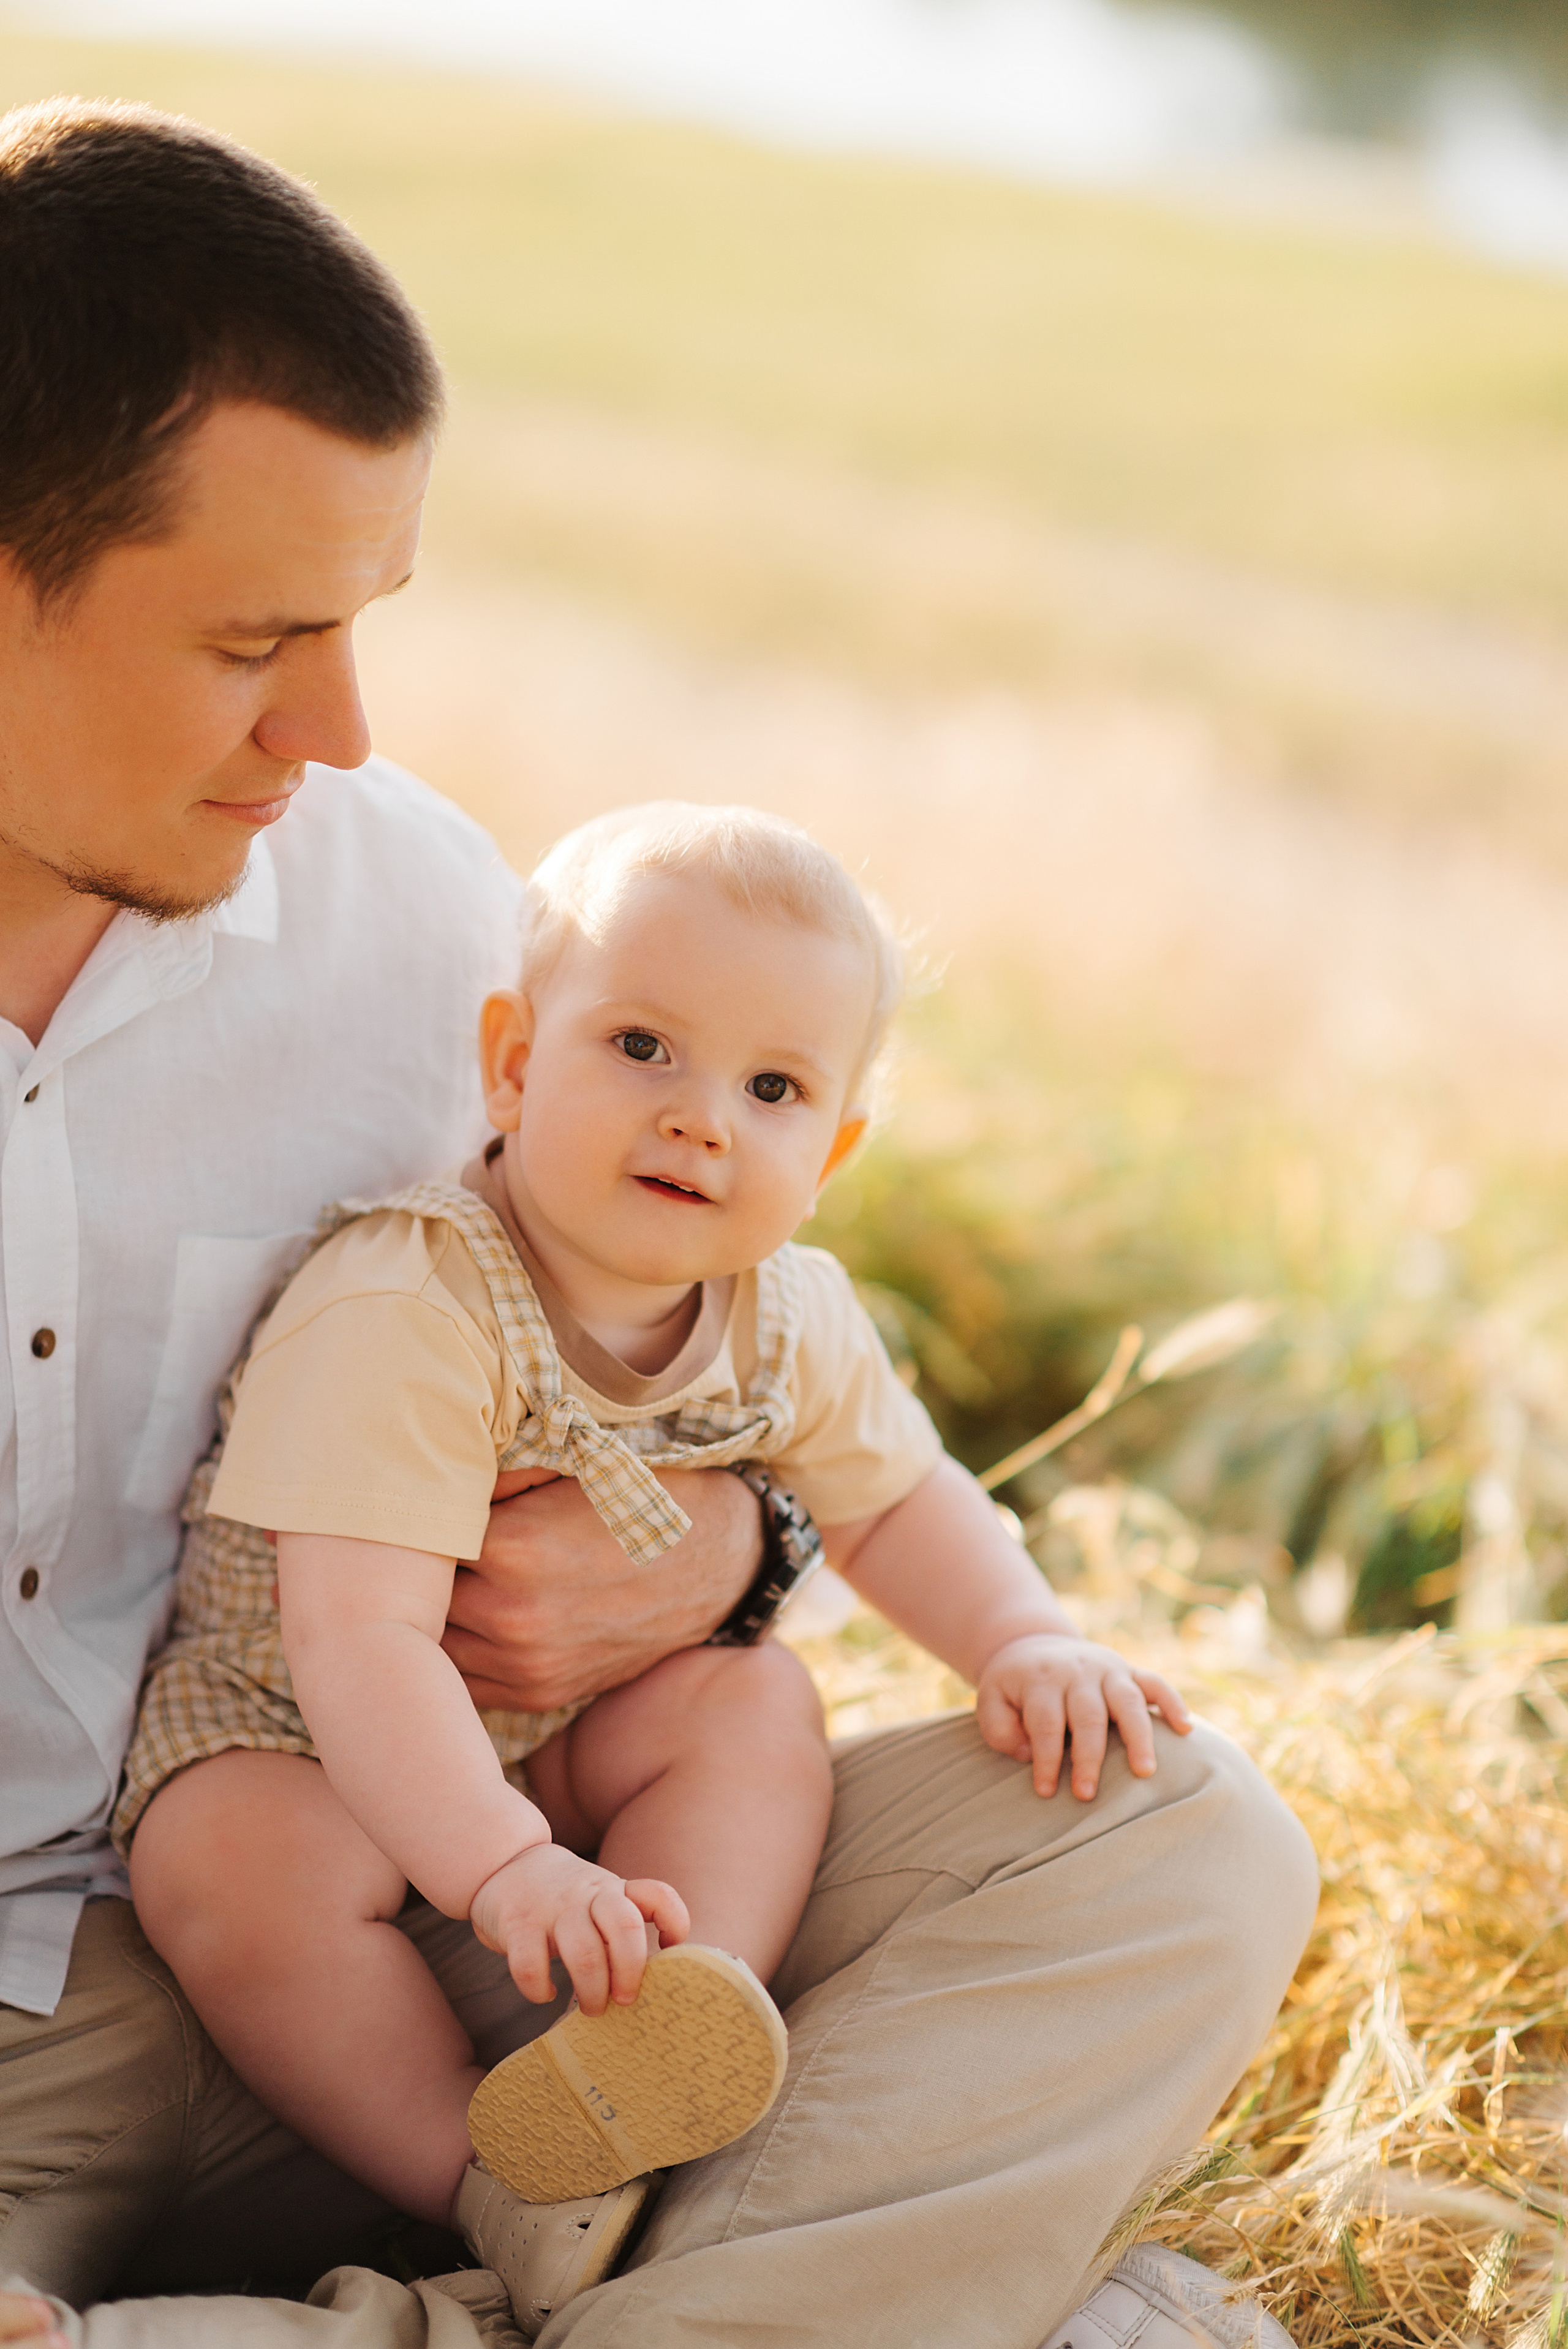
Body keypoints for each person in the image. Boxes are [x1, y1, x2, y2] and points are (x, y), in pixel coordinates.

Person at [0, 93, 1319, 2349]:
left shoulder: (409, 911)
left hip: (471, 1915)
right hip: (101, 2003)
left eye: (361, 619)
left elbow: (639, 1307)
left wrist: (727, 1560)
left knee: (1177, 1838)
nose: (338, 726)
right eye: (254, 638)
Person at [111, 802, 1195, 2327]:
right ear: (512, 1062)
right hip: (301, 1729)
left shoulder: (788, 1312)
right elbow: (360, 1641)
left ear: (833, 1149)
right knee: (230, 1868)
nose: (701, 1117)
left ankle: (671, 2029)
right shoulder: (409, 1302)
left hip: (560, 1736)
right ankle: (484, 2180)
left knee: (751, 1700)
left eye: (771, 1086)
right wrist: (503, 1870)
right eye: (641, 1048)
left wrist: (1020, 1636)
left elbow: (895, 1502)